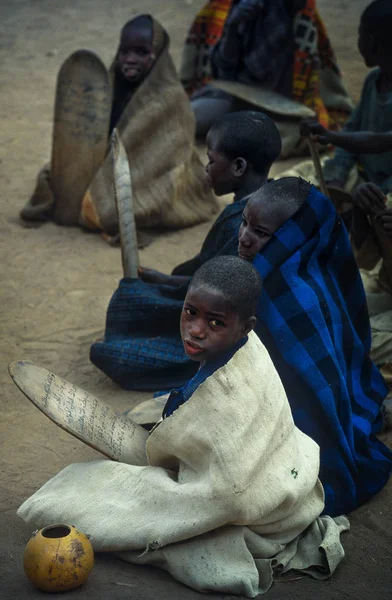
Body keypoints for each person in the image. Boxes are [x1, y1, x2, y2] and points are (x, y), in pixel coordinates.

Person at [17, 256, 349, 597]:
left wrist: (168, 459)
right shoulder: (246, 346)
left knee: (71, 493)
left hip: (254, 504)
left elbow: (228, 492)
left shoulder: (229, 390)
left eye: (215, 322)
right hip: (284, 487)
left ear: (246, 326)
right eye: (190, 312)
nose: (196, 329)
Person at [90, 110, 282, 389]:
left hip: (221, 318)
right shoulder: (266, 201)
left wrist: (168, 282)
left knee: (124, 314)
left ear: (238, 167)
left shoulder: (243, 222)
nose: (206, 169)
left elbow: (216, 285)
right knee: (135, 292)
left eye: (211, 161)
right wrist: (167, 280)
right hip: (210, 299)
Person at [237, 177, 392, 517]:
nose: (245, 237)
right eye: (244, 223)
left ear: (293, 237)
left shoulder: (288, 292)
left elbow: (317, 390)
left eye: (261, 233)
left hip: (297, 420)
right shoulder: (279, 267)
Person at [21, 15, 217, 241]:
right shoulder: (109, 84)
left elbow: (160, 160)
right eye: (125, 52)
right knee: (51, 176)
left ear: (159, 55)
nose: (130, 59)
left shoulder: (171, 99)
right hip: (110, 164)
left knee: (110, 213)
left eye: (141, 53)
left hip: (155, 174)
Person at [180, 0, 353, 156]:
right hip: (237, 93)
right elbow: (224, 71)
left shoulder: (285, 10)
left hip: (275, 102)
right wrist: (232, 28)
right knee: (188, 114)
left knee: (190, 122)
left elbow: (264, 71)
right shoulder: (236, 6)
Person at [288, 1, 392, 197]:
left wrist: (332, 136)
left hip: (384, 188)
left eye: (360, 34)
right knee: (293, 182)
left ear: (372, 42)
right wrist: (337, 177)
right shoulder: (373, 81)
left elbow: (380, 141)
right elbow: (352, 131)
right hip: (365, 176)